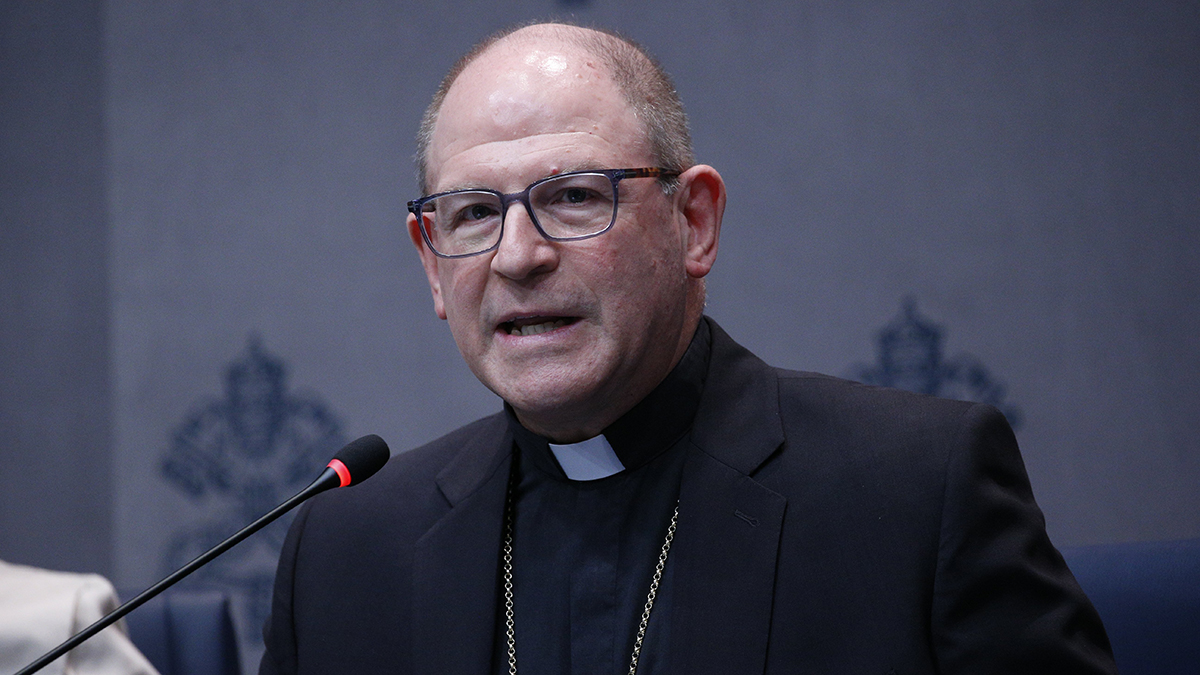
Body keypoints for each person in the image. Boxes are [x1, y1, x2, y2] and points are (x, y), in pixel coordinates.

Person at [260, 22, 1117, 675]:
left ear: (694, 222)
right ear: (431, 264)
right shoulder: (346, 550)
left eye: (572, 196)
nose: (518, 255)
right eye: (475, 213)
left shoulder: (915, 491)